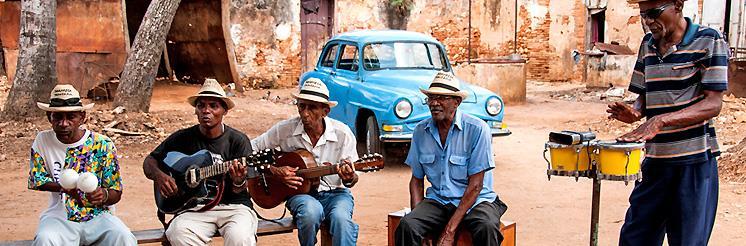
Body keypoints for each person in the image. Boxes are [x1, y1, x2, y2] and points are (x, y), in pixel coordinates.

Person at [609, 0, 728, 245]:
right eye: (643, 15)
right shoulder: (648, 45)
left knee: (687, 240)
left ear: (677, 5)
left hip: (693, 164)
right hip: (656, 163)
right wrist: (634, 112)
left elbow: (713, 104)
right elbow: (644, 96)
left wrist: (661, 120)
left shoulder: (708, 40)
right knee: (635, 238)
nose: (648, 21)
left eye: (654, 13)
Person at [395, 72, 508, 246]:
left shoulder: (477, 129)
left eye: (441, 98)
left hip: (476, 201)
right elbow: (416, 181)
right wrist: (418, 219)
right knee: (408, 225)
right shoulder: (420, 131)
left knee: (486, 227)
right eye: (431, 98)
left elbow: (476, 185)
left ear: (457, 102)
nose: (434, 103)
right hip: (439, 200)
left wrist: (449, 231)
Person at [143, 79, 257, 246]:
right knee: (177, 232)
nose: (206, 111)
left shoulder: (238, 140)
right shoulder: (182, 138)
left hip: (234, 208)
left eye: (213, 106)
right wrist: (160, 177)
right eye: (201, 106)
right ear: (195, 110)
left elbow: (243, 187)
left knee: (240, 237)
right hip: (196, 208)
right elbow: (150, 161)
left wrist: (238, 181)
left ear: (224, 111)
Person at [252, 78, 359, 246]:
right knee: (310, 213)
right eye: (301, 106)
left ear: (325, 111)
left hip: (336, 195)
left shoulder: (343, 134)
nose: (305, 113)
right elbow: (251, 148)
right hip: (301, 195)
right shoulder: (285, 129)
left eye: (312, 107)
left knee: (341, 221)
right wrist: (273, 170)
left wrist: (349, 176)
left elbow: (352, 180)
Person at [28, 84, 137, 246]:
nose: (64, 123)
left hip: (98, 215)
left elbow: (116, 192)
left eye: (71, 117)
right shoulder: (42, 140)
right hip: (59, 215)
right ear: (49, 117)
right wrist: (63, 188)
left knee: (123, 237)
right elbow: (37, 180)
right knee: (45, 239)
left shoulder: (102, 144)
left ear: (82, 117)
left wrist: (104, 195)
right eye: (57, 117)